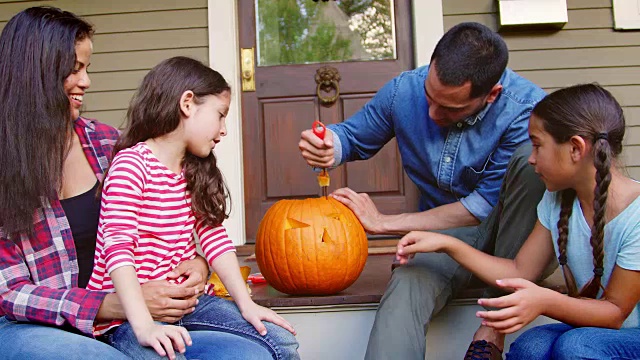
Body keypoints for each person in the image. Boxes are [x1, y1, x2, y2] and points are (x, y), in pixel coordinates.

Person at [0, 7, 294, 360]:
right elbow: (9, 292)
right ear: (35, 74)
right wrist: (112, 305)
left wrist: (198, 265)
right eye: (74, 69)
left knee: (254, 352)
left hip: (143, 308)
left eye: (87, 67)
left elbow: (173, 221)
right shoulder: (7, 164)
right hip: (33, 324)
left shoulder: (108, 144)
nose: (86, 81)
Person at [299, 22, 546, 359]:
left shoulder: (527, 110)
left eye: (450, 108)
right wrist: (328, 144)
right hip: (444, 233)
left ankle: (491, 330)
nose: (432, 113)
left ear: (491, 94)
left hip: (517, 235)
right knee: (407, 286)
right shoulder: (406, 89)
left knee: (529, 162)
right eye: (430, 98)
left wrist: (386, 223)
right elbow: (353, 136)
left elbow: (481, 207)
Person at [396, 83, 640, 359]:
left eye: (537, 145)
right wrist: (447, 244)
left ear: (575, 148)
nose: (532, 160)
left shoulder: (636, 214)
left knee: (575, 347)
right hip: (596, 330)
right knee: (530, 347)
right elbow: (519, 270)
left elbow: (616, 313)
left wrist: (544, 300)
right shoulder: (557, 201)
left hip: (629, 332)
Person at [87, 56, 299, 360]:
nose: (224, 130)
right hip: (128, 318)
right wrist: (145, 326)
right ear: (188, 104)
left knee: (280, 341)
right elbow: (117, 248)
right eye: (220, 115)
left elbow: (214, 238)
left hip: (190, 306)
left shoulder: (194, 169)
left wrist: (246, 304)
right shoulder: (132, 165)